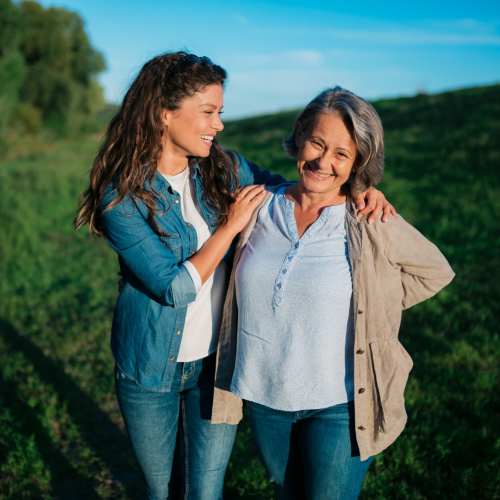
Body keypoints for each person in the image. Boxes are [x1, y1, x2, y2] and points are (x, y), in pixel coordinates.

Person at [75, 52, 394, 500]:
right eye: (208, 112)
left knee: (205, 491)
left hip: (215, 364)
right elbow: (174, 287)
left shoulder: (224, 167)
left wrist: (361, 186)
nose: (218, 124)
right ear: (165, 114)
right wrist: (228, 229)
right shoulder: (120, 196)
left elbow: (299, 188)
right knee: (160, 489)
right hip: (149, 368)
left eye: (220, 112)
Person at [211, 86, 455, 499]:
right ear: (300, 136)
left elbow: (435, 271)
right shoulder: (258, 206)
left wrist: (373, 301)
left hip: (340, 403)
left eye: (341, 154)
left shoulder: (367, 218)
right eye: (317, 144)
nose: (324, 162)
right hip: (265, 394)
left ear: (358, 161)